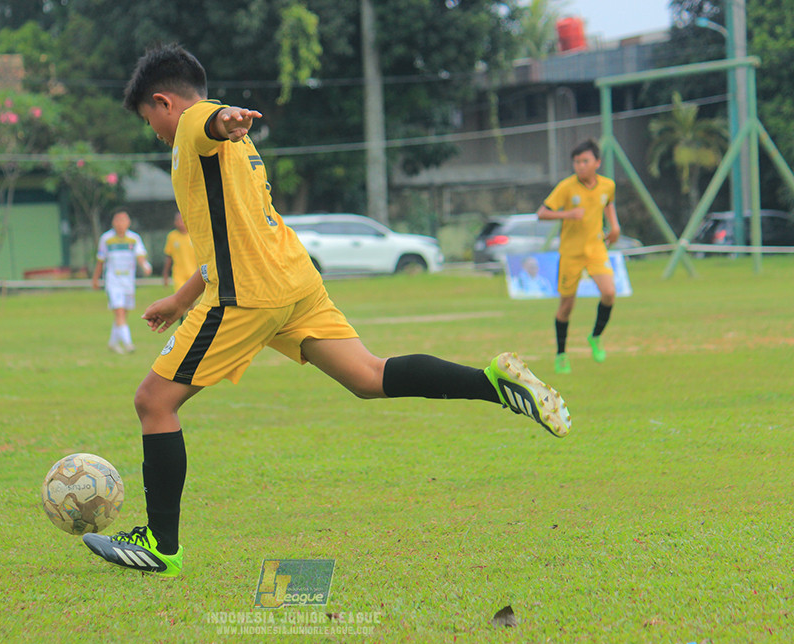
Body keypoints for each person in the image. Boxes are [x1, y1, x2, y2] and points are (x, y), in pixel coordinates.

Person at [81, 44, 571, 578]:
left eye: (150, 118)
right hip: (295, 282)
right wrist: (180, 298)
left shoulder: (199, 126)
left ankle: (160, 544)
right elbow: (235, 233)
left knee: (154, 402)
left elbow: (208, 122)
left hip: (248, 296)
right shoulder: (239, 153)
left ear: (164, 101)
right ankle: (494, 382)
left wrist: (226, 118)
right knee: (369, 375)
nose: (153, 131)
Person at [536, 139, 621, 375]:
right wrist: (568, 214)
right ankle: (561, 354)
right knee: (566, 306)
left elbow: (609, 203)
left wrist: (615, 227)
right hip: (571, 253)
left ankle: (595, 336)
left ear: (597, 162)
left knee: (609, 293)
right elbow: (542, 213)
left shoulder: (607, 185)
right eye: (576, 162)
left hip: (595, 249)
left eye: (585, 161)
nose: (580, 166)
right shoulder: (567, 187)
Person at [91, 207, 152, 354]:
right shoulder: (106, 239)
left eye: (123, 220)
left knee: (123, 313)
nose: (120, 223)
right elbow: (100, 260)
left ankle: (112, 343)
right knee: (118, 312)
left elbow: (140, 256)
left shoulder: (134, 238)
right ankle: (128, 344)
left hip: (128, 282)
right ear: (113, 222)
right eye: (117, 220)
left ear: (128, 222)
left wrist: (145, 266)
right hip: (113, 281)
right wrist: (95, 278)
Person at [162, 211, 197, 293]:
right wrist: (165, 274)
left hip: (193, 273)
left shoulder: (194, 235)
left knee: (193, 300)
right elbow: (168, 256)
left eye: (182, 219)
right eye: (178, 220)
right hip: (178, 274)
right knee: (183, 298)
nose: (180, 222)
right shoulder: (172, 236)